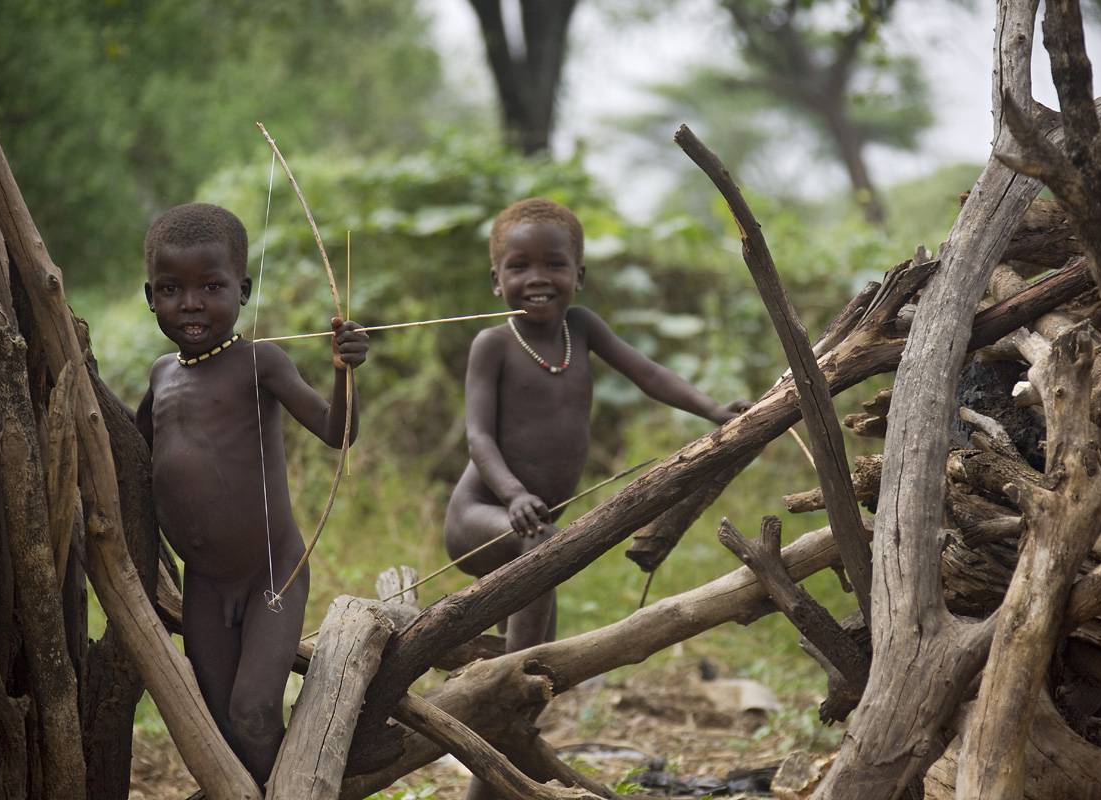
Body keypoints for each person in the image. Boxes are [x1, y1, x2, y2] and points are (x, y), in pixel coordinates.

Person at [443, 197, 750, 797]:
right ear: (497, 279)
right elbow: (478, 437)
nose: (537, 279)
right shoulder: (493, 345)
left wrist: (715, 411)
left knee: (539, 664)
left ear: (578, 275)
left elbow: (650, 374)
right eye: (519, 266)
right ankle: (498, 739)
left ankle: (499, 774)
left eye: (554, 265)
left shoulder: (581, 328)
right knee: (529, 618)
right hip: (480, 517)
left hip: (533, 535)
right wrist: (512, 497)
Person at [133, 202, 368, 785]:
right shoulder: (162, 376)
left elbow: (337, 433)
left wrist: (345, 371)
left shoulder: (260, 362)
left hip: (271, 574)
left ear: (243, 288)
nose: (190, 303)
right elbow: (131, 455)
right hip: (205, 585)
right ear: (149, 296)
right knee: (218, 730)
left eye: (211, 286)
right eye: (171, 288)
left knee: (254, 713)